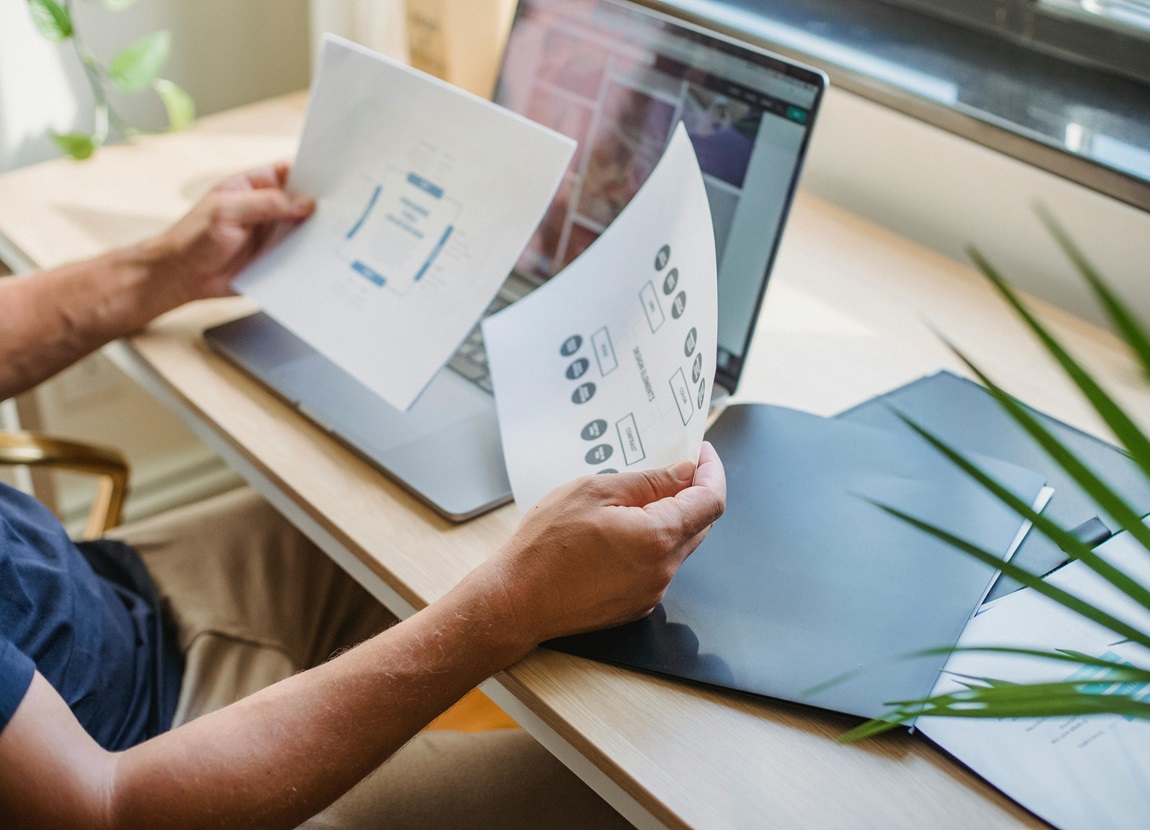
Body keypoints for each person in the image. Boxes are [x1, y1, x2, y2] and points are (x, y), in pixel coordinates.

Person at [0, 163, 726, 828]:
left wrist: (158, 268)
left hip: (97, 600)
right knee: (642, 793)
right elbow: (103, 808)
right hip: (144, 771)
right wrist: (508, 606)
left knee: (430, 512)